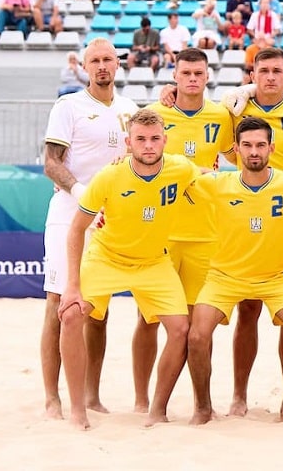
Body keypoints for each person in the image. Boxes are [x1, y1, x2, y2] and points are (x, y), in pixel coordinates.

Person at [58, 108, 201, 430]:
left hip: (153, 261)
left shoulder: (180, 168)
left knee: (180, 329)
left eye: (154, 139)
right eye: (140, 139)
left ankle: (157, 410)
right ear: (128, 143)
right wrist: (72, 285)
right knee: (70, 315)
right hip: (107, 256)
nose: (148, 145)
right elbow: (76, 229)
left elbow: (205, 174)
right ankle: (78, 409)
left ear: (165, 140)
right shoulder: (109, 176)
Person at [186, 117, 283, 424]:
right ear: (235, 150)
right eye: (246, 146)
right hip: (224, 276)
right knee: (196, 336)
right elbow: (171, 177)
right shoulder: (217, 184)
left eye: (260, 145)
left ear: (272, 148)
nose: (254, 152)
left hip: (276, 276)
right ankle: (204, 408)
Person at [40, 38, 138, 420]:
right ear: (84, 67)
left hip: (112, 219)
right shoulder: (69, 106)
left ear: (118, 64)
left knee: (98, 311)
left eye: (107, 60)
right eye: (94, 60)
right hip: (70, 212)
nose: (101, 66)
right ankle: (52, 397)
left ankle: (91, 394)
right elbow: (51, 162)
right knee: (59, 304)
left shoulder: (130, 110)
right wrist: (83, 193)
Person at [133, 48, 235, 412]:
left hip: (205, 234)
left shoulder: (222, 115)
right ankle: (142, 399)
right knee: (147, 321)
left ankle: (198, 403)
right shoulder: (155, 115)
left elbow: (236, 157)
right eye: (185, 73)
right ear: (174, 76)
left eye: (198, 73)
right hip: (160, 234)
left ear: (208, 76)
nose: (192, 79)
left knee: (197, 328)